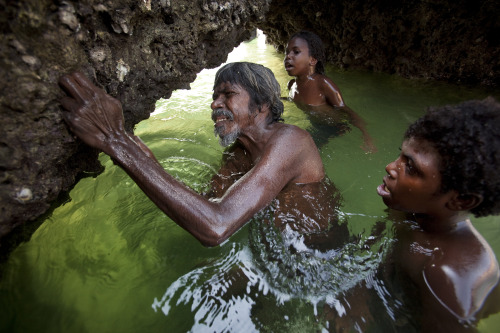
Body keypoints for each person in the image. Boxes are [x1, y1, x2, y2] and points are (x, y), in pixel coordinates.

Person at [59, 62, 340, 247]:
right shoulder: (238, 154)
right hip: (279, 247)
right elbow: (205, 206)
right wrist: (133, 147)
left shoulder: (291, 140)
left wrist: (117, 141)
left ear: (263, 104)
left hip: (325, 251)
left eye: (228, 94)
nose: (215, 104)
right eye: (214, 96)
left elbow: (217, 225)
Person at [376, 97, 500, 331]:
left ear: (460, 200)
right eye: (400, 155)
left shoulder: (447, 274)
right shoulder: (414, 211)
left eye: (410, 167)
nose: (391, 167)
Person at [284, 30, 376, 152]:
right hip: (315, 124)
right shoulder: (292, 85)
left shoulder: (322, 84)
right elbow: (292, 101)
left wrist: (366, 136)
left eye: (296, 52)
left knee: (299, 151)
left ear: (312, 60)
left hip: (333, 127)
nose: (288, 56)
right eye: (287, 52)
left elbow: (345, 109)